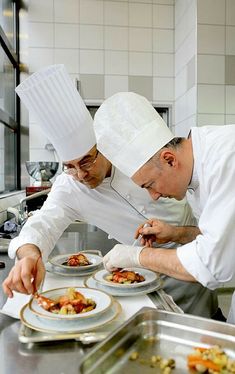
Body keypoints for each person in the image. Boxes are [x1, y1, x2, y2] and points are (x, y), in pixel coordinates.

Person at [2, 65, 218, 319]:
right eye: (69, 167)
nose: (81, 174)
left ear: (102, 148)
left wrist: (177, 235)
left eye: (86, 161)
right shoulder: (69, 186)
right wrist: (28, 255)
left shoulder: (134, 159)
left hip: (193, 257)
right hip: (141, 276)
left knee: (206, 327)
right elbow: (44, 223)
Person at [93, 91, 235, 323]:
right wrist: (176, 234)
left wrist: (138, 256)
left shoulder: (225, 157)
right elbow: (221, 236)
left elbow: (211, 265)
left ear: (169, 159)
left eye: (150, 185)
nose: (154, 196)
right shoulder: (194, 169)